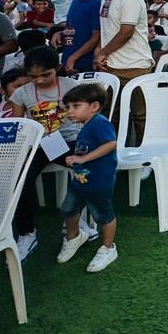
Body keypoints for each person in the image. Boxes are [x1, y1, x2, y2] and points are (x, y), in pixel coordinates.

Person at [8, 47, 90, 260]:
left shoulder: (71, 86)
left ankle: (79, 222)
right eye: (34, 77)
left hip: (71, 140)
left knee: (86, 171)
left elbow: (86, 118)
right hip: (40, 144)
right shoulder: (22, 93)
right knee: (19, 181)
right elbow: (20, 125)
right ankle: (27, 233)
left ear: (57, 69)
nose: (40, 81)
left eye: (46, 75)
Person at [55, 84, 120, 273]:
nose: (69, 112)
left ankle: (108, 248)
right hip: (81, 180)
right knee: (69, 209)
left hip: (99, 181)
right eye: (68, 107)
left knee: (103, 215)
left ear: (94, 106)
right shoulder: (86, 125)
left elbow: (111, 144)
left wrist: (82, 158)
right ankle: (74, 237)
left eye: (76, 106)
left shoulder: (99, 123)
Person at [93, 0, 153, 143]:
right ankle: (114, 153)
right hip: (110, 67)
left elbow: (126, 32)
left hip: (134, 66)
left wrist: (103, 53)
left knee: (140, 115)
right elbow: (106, 30)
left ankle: (145, 158)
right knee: (112, 115)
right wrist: (100, 54)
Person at [58, 0, 102, 74]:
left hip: (83, 64)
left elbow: (96, 37)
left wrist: (73, 58)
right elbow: (72, 29)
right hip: (68, 60)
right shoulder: (75, 2)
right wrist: (60, 36)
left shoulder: (96, 3)